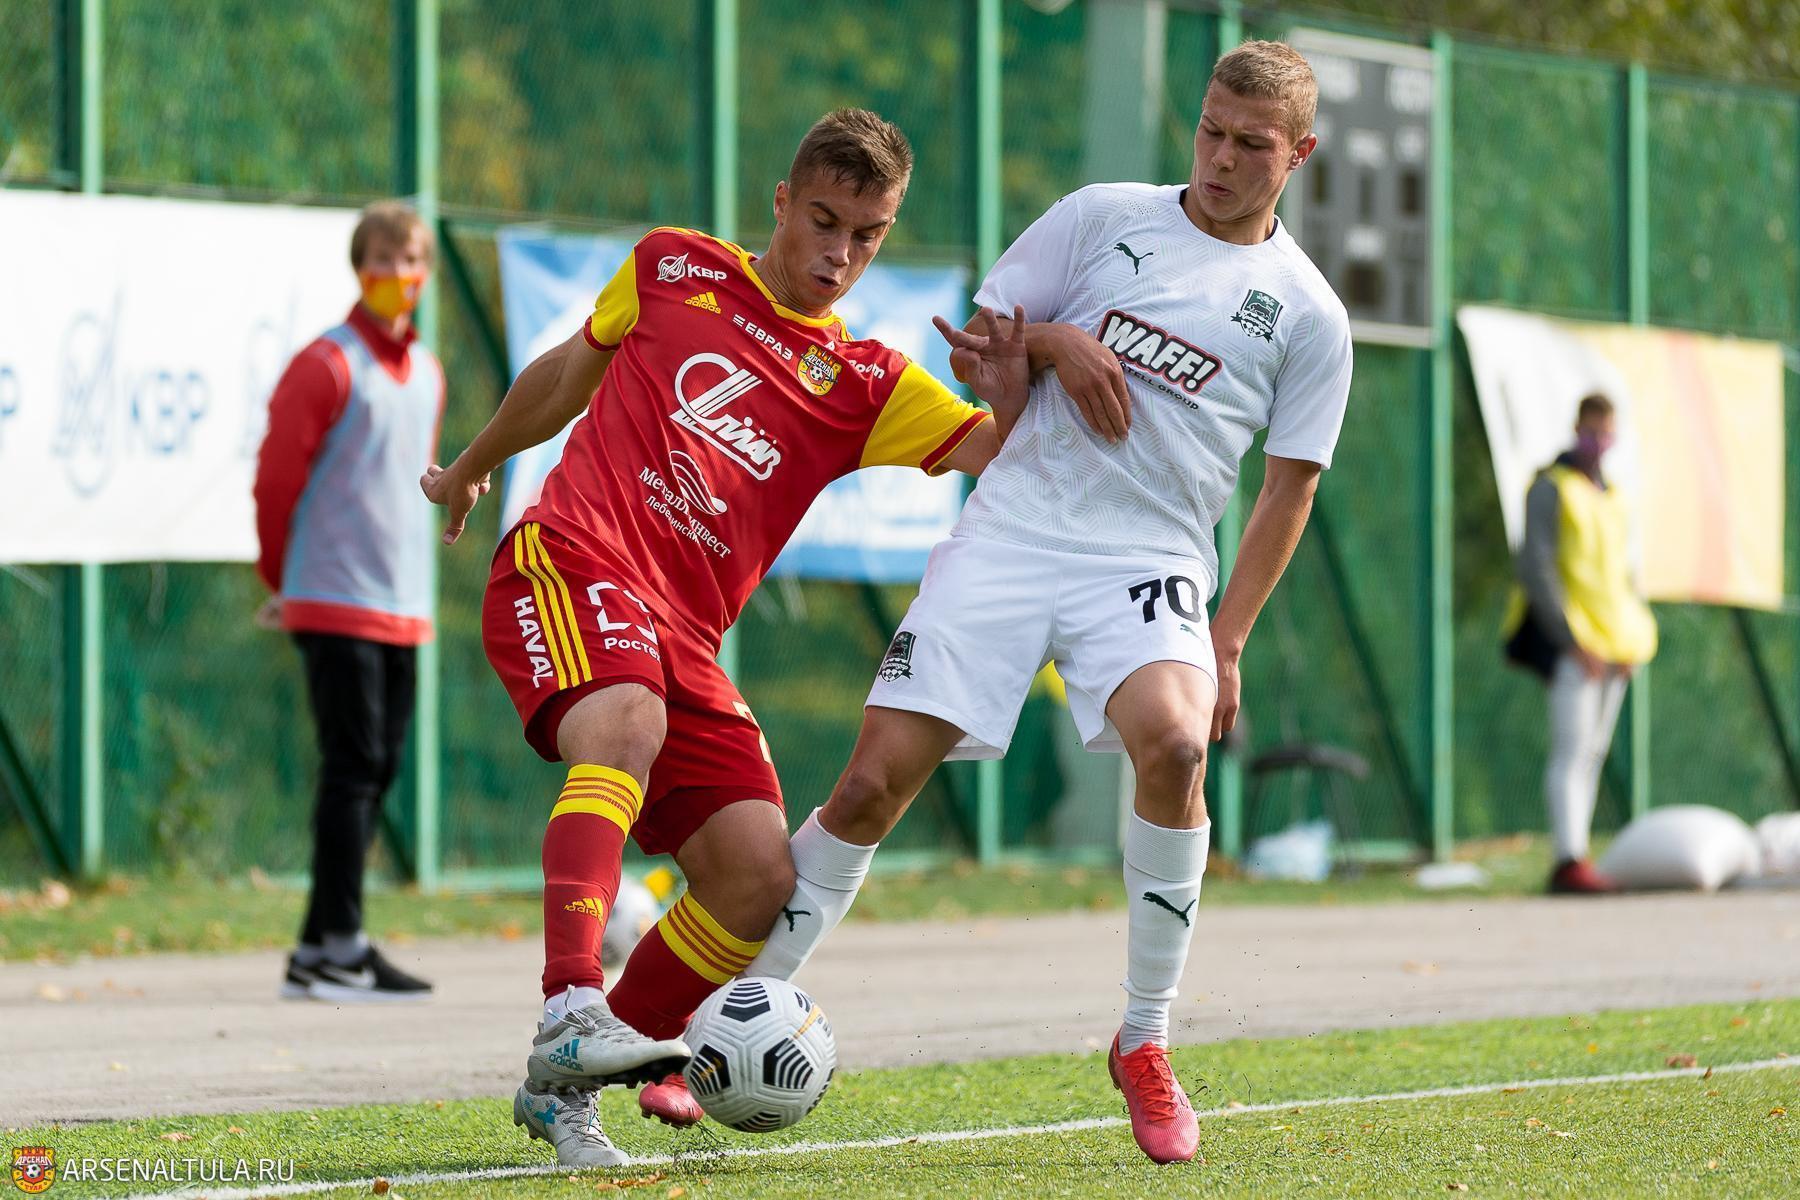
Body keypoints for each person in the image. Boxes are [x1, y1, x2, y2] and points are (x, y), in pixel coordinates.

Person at [746, 42, 1353, 1166]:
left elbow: (1289, 489)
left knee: (1176, 746)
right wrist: (1056, 342)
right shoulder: (1100, 216)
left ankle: (1144, 1038)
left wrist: (1227, 643)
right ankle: (741, 1011)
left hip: (1149, 557)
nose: (1221, 158)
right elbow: (984, 352)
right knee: (871, 785)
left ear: (1300, 154)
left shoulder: (1309, 314)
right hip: (1014, 530)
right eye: (1210, 130)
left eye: (1251, 145)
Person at [421, 109, 1012, 1167]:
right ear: (780, 203)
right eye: (823, 221)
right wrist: (472, 464)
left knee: (754, 877)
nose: (840, 254)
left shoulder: (868, 383)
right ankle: (569, 1002)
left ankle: (565, 1090)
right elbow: (566, 376)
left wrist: (1036, 366)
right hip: (574, 557)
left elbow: (1005, 452)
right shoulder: (674, 268)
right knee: (626, 723)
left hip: (684, 637)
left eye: (867, 235)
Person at [253, 201, 444, 1004]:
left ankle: (319, 946)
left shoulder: (427, 372)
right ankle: (339, 947)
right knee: (353, 766)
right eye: (385, 259)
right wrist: (280, 579)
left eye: (413, 261)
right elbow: (276, 481)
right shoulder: (327, 364)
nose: (400, 275)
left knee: (377, 767)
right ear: (360, 268)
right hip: (333, 597)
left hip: (402, 604)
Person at [1504, 394, 1658, 894]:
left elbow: (1623, 578)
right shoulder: (1552, 487)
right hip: (1575, 645)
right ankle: (1567, 858)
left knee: (1593, 753)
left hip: (1614, 645)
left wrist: (1631, 641)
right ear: (1576, 429)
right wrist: (1569, 641)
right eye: (1592, 431)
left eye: (1606, 433)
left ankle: (1579, 852)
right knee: (1571, 751)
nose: (1599, 442)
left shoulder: (1614, 496)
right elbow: (1537, 568)